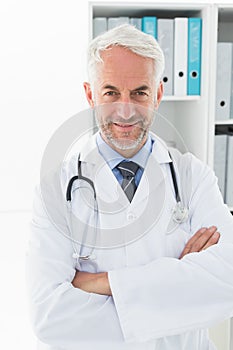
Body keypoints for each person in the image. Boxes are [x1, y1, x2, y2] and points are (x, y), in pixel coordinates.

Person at [26, 24, 233, 350]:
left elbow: (227, 282)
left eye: (139, 92)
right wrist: (180, 281)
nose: (125, 109)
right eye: (110, 92)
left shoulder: (193, 178)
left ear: (158, 95)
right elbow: (50, 318)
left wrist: (98, 283)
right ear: (90, 94)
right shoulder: (55, 190)